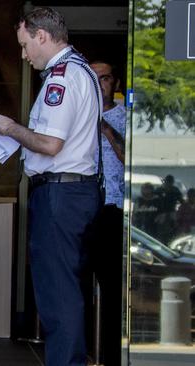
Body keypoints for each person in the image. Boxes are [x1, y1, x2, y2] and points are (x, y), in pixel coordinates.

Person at [0, 8, 101, 366]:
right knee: (65, 289)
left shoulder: (63, 78)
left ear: (41, 36)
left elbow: (51, 144)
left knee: (58, 294)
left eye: (25, 45)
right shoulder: (79, 70)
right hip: (72, 192)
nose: (23, 55)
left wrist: (10, 129)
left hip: (61, 194)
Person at [87, 60, 126, 366]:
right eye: (95, 78)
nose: (101, 84)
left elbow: (134, 160)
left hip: (113, 208)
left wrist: (108, 132)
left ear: (114, 83)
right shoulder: (79, 115)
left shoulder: (125, 116)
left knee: (111, 287)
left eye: (106, 78)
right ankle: (86, 347)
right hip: (83, 204)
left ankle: (111, 353)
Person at [155, 174, 184, 242]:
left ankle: (172, 237)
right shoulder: (159, 190)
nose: (168, 184)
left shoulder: (175, 190)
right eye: (167, 182)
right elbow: (154, 200)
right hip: (160, 212)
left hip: (171, 211)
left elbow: (181, 201)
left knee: (174, 225)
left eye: (170, 182)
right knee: (160, 227)